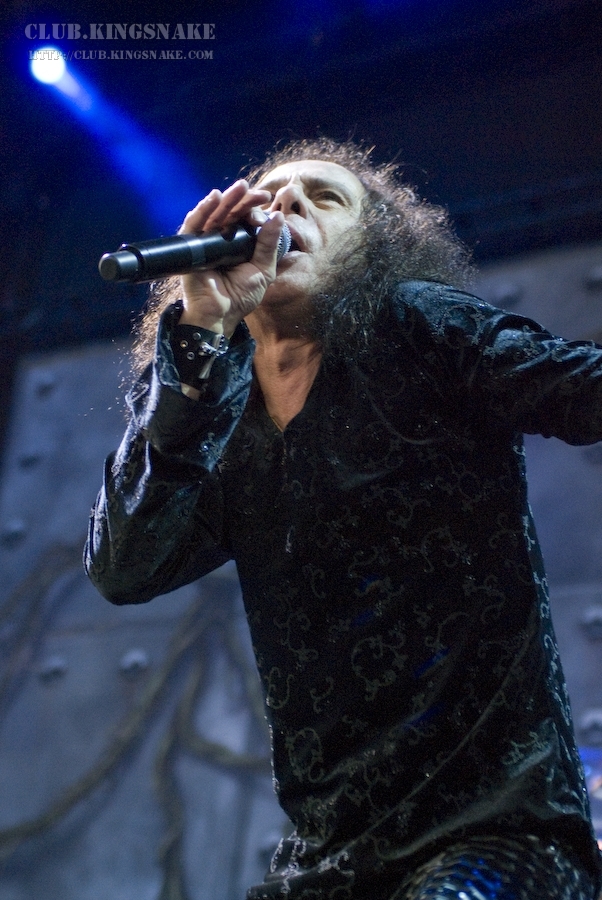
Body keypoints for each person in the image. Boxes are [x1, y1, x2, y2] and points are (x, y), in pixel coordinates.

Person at [85, 138, 602, 900]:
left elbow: (580, 387)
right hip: (328, 857)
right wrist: (197, 332)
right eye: (267, 197)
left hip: (497, 827)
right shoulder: (218, 414)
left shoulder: (416, 325)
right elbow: (124, 567)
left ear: (373, 246)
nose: (285, 204)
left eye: (324, 197)